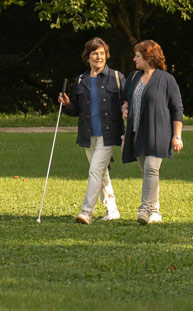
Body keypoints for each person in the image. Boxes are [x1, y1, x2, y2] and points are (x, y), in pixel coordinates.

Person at [59, 37, 125, 224]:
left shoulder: (117, 77)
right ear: (87, 57)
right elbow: (76, 111)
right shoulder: (80, 80)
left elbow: (127, 104)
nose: (99, 57)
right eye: (95, 53)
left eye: (102, 53)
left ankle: (86, 212)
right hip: (88, 135)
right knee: (101, 172)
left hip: (109, 133)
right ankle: (112, 210)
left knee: (95, 171)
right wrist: (67, 104)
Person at [121, 40, 183, 224]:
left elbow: (177, 108)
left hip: (159, 133)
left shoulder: (166, 79)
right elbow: (125, 100)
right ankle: (155, 211)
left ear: (148, 57)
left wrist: (177, 135)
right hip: (137, 133)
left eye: (137, 56)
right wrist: (125, 108)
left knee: (150, 169)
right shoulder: (133, 77)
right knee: (148, 172)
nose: (134, 59)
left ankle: (144, 210)